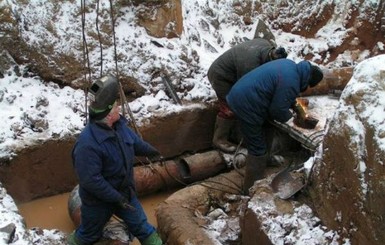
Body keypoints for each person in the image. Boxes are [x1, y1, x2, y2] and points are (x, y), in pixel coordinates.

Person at [68, 75, 163, 245]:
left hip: (125, 194)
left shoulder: (119, 127)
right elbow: (91, 180)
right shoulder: (87, 144)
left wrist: (153, 152)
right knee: (88, 235)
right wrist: (115, 198)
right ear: (109, 114)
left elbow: (135, 143)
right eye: (116, 105)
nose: (119, 107)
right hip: (98, 202)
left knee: (143, 228)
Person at [226, 59, 324, 194]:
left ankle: (266, 160)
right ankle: (251, 189)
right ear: (307, 81)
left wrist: (295, 107)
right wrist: (292, 120)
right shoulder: (292, 82)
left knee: (269, 127)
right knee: (257, 147)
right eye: (308, 86)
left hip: (244, 94)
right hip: (246, 104)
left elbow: (281, 93)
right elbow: (277, 110)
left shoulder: (290, 66)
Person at [207, 38, 288, 153]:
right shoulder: (250, 64)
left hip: (234, 72)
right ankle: (219, 140)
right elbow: (246, 92)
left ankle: (238, 137)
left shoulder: (266, 44)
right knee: (231, 107)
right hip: (220, 75)